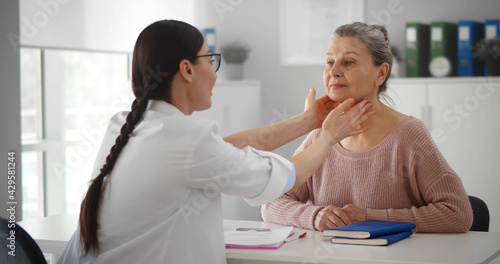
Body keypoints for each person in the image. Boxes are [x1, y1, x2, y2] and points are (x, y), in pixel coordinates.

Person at [56, 20, 374, 264]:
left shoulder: (124, 125)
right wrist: (331, 135)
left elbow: (223, 151)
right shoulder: (190, 140)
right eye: (211, 60)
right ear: (187, 69)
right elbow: (287, 176)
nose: (215, 74)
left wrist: (307, 122)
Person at [262, 22, 473, 233]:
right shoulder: (322, 135)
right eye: (329, 62)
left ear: (381, 74)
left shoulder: (408, 135)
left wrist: (368, 218)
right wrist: (314, 215)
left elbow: (457, 213)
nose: (334, 71)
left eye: (349, 62)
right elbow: (271, 203)